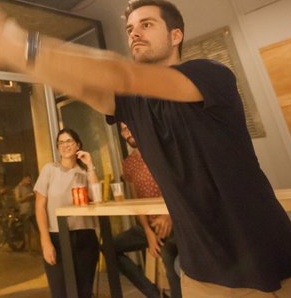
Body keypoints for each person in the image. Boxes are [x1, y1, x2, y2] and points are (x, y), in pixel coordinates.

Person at [0, 0, 291, 297]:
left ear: (176, 36)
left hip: (273, 267)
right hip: (199, 275)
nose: (134, 32)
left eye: (147, 24)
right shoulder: (131, 103)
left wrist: (15, 42)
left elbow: (120, 73)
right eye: (131, 27)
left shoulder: (209, 75)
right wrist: (12, 52)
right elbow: (80, 81)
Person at [114, 122, 180, 298]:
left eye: (130, 126)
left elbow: (178, 186)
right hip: (149, 224)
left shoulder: (160, 151)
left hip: (174, 220)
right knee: (111, 247)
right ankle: (154, 295)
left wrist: (169, 215)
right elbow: (136, 200)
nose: (127, 132)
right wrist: (147, 232)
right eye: (124, 130)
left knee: (168, 257)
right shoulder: (128, 164)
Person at [33, 128, 99, 298]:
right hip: (56, 237)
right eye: (61, 142)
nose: (65, 145)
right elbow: (40, 207)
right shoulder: (49, 170)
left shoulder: (84, 173)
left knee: (84, 292)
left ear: (78, 145)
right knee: (60, 292)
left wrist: (90, 165)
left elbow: (97, 198)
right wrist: (45, 241)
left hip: (84, 236)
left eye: (69, 141)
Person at [14, 173, 37, 249]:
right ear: (24, 178)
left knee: (37, 228)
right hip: (25, 212)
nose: (29, 181)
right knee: (27, 231)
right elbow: (18, 199)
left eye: (30, 180)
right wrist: (26, 197)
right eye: (27, 180)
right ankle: (29, 248)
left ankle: (39, 246)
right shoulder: (18, 188)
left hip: (33, 211)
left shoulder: (30, 186)